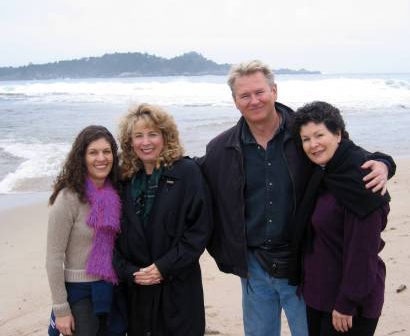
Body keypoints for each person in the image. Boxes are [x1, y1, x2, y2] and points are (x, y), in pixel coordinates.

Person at [198, 60, 395, 336]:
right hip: (254, 266)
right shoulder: (222, 148)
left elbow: (346, 153)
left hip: (301, 262)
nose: (254, 100)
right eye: (245, 95)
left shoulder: (302, 133)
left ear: (274, 91)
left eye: (260, 92)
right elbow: (194, 174)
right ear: (234, 101)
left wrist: (384, 162)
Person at [291, 101, 390, 336]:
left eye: (319, 135)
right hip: (319, 294)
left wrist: (347, 303)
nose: (313, 145)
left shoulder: (362, 180)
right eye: (306, 139)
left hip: (349, 303)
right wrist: (387, 162)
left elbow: (362, 251)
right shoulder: (324, 172)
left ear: (337, 134)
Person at [113, 103, 212, 336]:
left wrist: (163, 267)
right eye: (138, 136)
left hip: (177, 285)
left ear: (166, 136)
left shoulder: (187, 172)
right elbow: (109, 235)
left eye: (152, 134)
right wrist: (129, 272)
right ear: (129, 142)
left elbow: (199, 231)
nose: (145, 142)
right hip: (135, 288)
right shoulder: (123, 178)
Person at [46, 125, 124, 336]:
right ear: (81, 157)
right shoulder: (67, 198)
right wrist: (61, 310)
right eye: (93, 152)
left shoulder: (117, 193)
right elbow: (53, 258)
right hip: (79, 293)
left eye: (106, 151)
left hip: (111, 286)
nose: (101, 158)